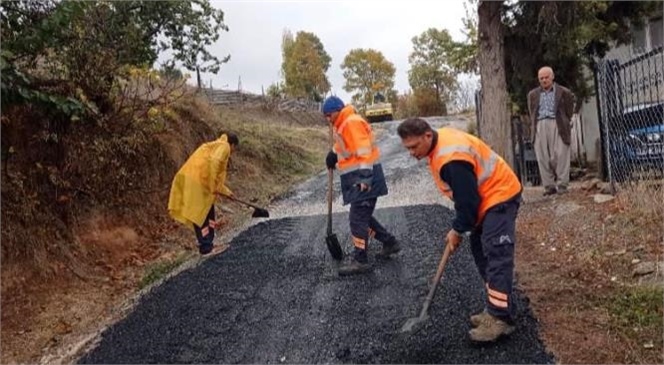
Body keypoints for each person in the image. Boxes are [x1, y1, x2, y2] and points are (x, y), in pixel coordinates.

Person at [396, 118, 522, 342]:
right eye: (408, 148)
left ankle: (501, 318)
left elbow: (468, 202)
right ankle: (498, 308)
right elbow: (467, 201)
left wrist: (457, 229)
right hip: (486, 198)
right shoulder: (440, 145)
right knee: (480, 250)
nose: (412, 153)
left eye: (414, 147)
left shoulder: (451, 159)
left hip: (499, 194)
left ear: (427, 136)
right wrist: (462, 227)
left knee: (496, 254)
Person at [322, 96, 400, 276]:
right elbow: (347, 147)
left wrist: (365, 178)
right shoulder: (343, 125)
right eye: (325, 116)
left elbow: (364, 151)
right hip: (358, 180)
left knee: (357, 218)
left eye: (328, 115)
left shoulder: (351, 122)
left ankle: (361, 260)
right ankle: (389, 242)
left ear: (337, 110)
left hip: (364, 180)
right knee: (362, 216)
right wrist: (333, 153)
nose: (327, 119)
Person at [168, 132, 239, 255]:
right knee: (200, 215)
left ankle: (209, 243)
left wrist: (228, 193)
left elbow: (215, 179)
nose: (233, 151)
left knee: (208, 213)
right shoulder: (224, 146)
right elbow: (214, 163)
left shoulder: (215, 146)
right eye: (234, 148)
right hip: (195, 182)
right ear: (232, 144)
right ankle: (206, 247)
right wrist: (212, 186)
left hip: (199, 183)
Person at [528, 66, 576, 195]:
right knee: (542, 155)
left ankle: (562, 185)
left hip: (557, 122)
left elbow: (569, 110)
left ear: (552, 77)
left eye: (546, 77)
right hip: (540, 124)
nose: (544, 80)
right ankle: (549, 186)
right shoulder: (533, 95)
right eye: (541, 78)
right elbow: (532, 111)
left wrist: (565, 120)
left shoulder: (564, 92)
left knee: (560, 154)